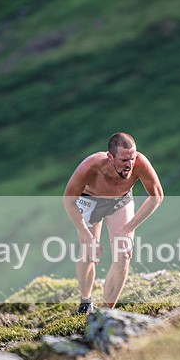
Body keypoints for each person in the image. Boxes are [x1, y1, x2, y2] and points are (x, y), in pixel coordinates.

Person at [63, 132, 163, 314]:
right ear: (110, 157)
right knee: (88, 252)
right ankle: (85, 302)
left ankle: (106, 312)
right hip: (90, 201)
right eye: (124, 160)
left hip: (120, 201)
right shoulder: (90, 166)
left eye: (132, 158)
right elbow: (68, 201)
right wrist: (86, 235)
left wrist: (128, 228)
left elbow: (156, 196)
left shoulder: (140, 163)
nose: (130, 164)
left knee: (123, 253)